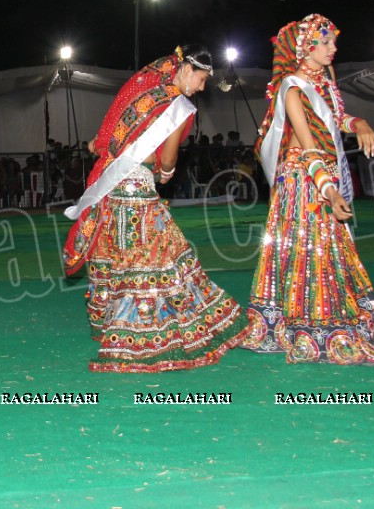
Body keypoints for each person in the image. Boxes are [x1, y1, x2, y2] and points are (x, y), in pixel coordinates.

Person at [63, 46, 250, 372]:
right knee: (160, 253)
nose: (203, 87)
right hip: (137, 188)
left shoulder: (145, 92)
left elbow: (113, 133)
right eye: (203, 79)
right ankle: (144, 334)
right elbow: (167, 159)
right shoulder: (178, 106)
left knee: (115, 250)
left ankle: (110, 322)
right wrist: (166, 172)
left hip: (112, 188)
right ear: (188, 70)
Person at [242, 14, 374, 365]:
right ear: (304, 49)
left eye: (331, 41)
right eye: (324, 43)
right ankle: (311, 328)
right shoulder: (292, 88)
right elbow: (307, 147)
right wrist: (329, 189)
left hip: (321, 175)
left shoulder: (324, 80)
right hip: (301, 182)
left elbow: (336, 117)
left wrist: (361, 123)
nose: (332, 47)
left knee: (325, 250)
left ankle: (314, 323)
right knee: (309, 251)